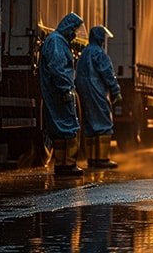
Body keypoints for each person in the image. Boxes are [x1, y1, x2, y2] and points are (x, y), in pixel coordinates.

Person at [39, 12, 84, 176]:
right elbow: (58, 68)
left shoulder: (56, 40)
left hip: (55, 91)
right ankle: (69, 164)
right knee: (70, 127)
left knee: (59, 129)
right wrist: (65, 89)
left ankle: (61, 164)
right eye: (74, 29)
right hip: (59, 92)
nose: (75, 33)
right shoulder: (57, 42)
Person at [76, 26, 122, 169]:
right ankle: (102, 158)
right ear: (100, 38)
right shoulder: (99, 54)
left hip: (84, 91)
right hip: (98, 91)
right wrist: (116, 90)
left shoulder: (85, 53)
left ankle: (92, 159)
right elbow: (107, 73)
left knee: (90, 124)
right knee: (104, 122)